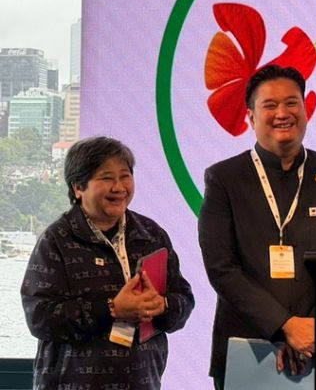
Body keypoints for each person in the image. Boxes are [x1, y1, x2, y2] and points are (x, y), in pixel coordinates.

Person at [198, 64, 316, 389]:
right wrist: (284, 326)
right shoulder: (224, 179)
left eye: (292, 103)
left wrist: (311, 328)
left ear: (305, 110)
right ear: (251, 117)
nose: (282, 113)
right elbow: (221, 268)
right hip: (248, 347)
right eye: (270, 105)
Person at [21, 136, 194, 389]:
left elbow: (184, 299)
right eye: (106, 178)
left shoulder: (151, 234)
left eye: (125, 176)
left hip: (142, 381)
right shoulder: (56, 240)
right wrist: (111, 309)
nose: (119, 187)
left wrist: (162, 306)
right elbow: (40, 317)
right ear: (78, 187)